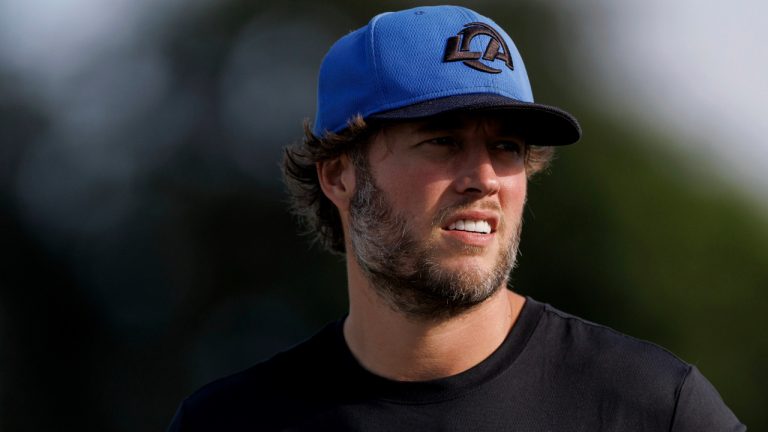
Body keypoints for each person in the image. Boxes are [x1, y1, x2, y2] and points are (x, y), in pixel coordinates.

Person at [169, 5, 745, 431]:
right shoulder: (229, 422)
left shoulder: (653, 409)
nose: (486, 178)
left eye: (508, 148)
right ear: (339, 174)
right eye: (442, 141)